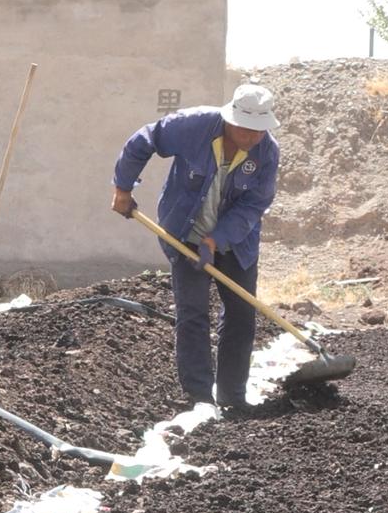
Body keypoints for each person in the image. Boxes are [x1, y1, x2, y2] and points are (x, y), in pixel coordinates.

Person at [110, 84, 280, 411]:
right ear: (231, 119)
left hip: (237, 242)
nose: (252, 138)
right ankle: (200, 397)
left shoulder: (267, 152)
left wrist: (217, 240)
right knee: (192, 313)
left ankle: (233, 398)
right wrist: (123, 188)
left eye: (259, 131)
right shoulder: (195, 126)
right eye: (246, 130)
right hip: (184, 233)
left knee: (242, 314)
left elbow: (254, 204)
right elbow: (143, 140)